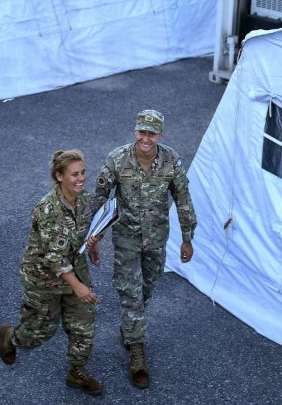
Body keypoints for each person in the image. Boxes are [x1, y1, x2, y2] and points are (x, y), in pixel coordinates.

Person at [88, 109, 196, 389]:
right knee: (130, 293)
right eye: (141, 132)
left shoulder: (171, 161)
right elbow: (100, 200)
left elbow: (183, 198)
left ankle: (130, 328)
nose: (146, 138)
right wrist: (93, 238)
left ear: (160, 134)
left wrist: (187, 237)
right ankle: (137, 351)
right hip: (126, 238)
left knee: (146, 288)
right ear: (135, 132)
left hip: (157, 238)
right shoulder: (117, 159)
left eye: (152, 133)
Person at [0, 150, 104, 397]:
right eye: (74, 174)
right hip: (43, 278)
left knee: (83, 326)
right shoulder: (47, 210)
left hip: (74, 270)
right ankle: (10, 337)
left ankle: (76, 373)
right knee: (39, 332)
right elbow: (53, 258)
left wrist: (94, 246)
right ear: (59, 176)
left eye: (83, 172)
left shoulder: (85, 200)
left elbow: (88, 229)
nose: (81, 178)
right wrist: (79, 286)